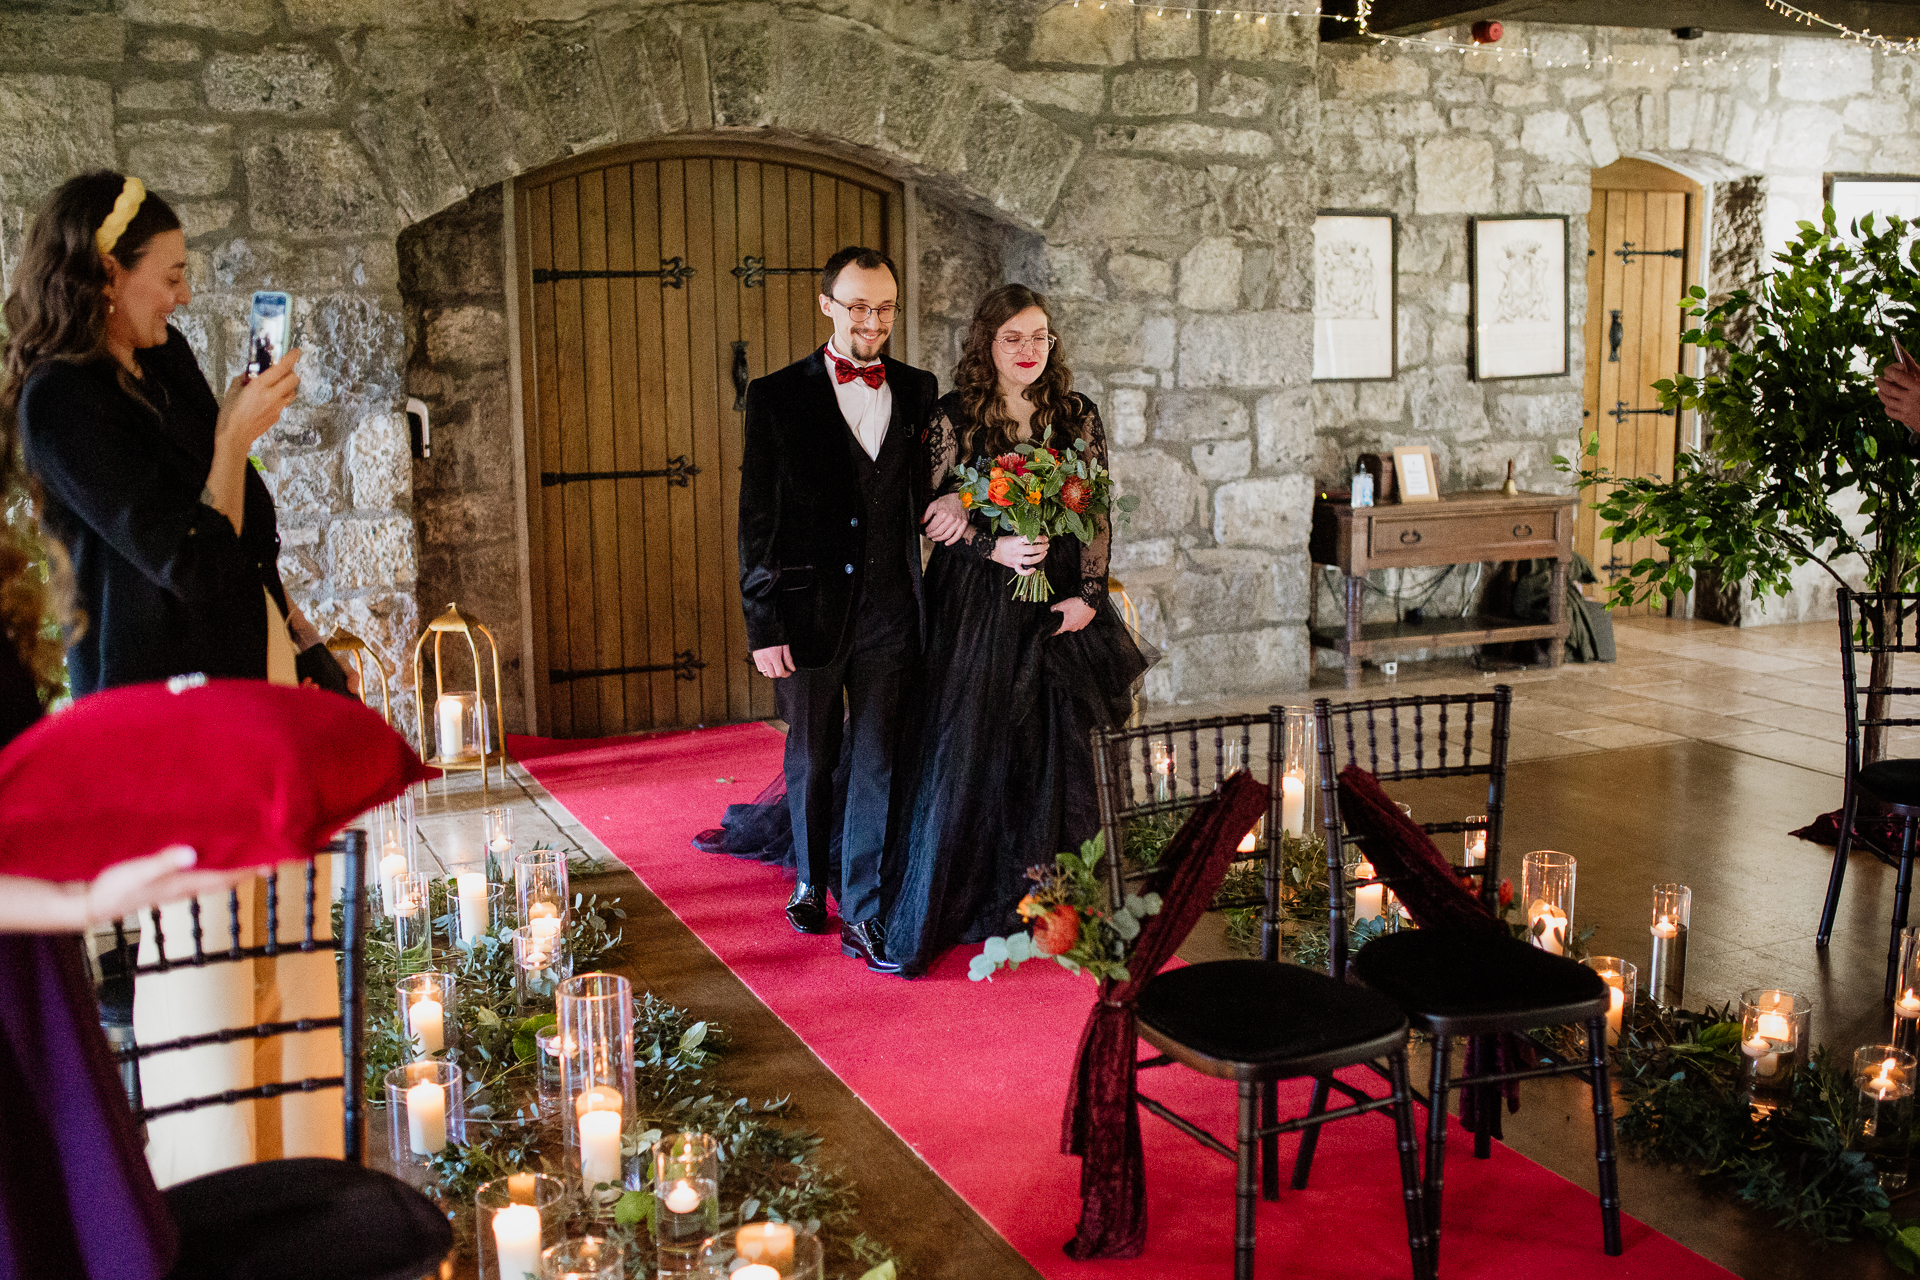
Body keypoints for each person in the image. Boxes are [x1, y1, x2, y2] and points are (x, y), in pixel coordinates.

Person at [3, 170, 340, 1187]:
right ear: (107, 274)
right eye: (172, 274)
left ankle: (306, 1148)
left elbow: (254, 531)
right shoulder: (58, 404)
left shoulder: (173, 360)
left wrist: (233, 466)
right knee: (204, 948)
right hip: (159, 699)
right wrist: (231, 443)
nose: (187, 296)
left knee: (290, 917)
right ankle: (221, 1173)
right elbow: (189, 555)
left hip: (253, 667)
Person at [881, 283, 1151, 977]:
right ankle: (966, 894)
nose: (1028, 351)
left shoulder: (1076, 413)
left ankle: (1053, 900)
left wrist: (1091, 593)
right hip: (977, 600)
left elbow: (1095, 507)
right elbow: (925, 511)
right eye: (1013, 338)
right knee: (974, 739)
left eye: (1039, 337)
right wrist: (987, 544)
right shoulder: (953, 417)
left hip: (1058, 591)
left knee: (1057, 742)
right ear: (987, 344)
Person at [736, 246, 943, 974]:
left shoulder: (920, 390)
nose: (872, 320)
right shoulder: (776, 395)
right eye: (857, 305)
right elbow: (757, 518)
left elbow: (928, 483)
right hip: (808, 613)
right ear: (827, 304)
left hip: (892, 610)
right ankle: (809, 880)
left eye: (883, 306)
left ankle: (863, 910)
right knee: (815, 753)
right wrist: (763, 624)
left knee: (879, 759)